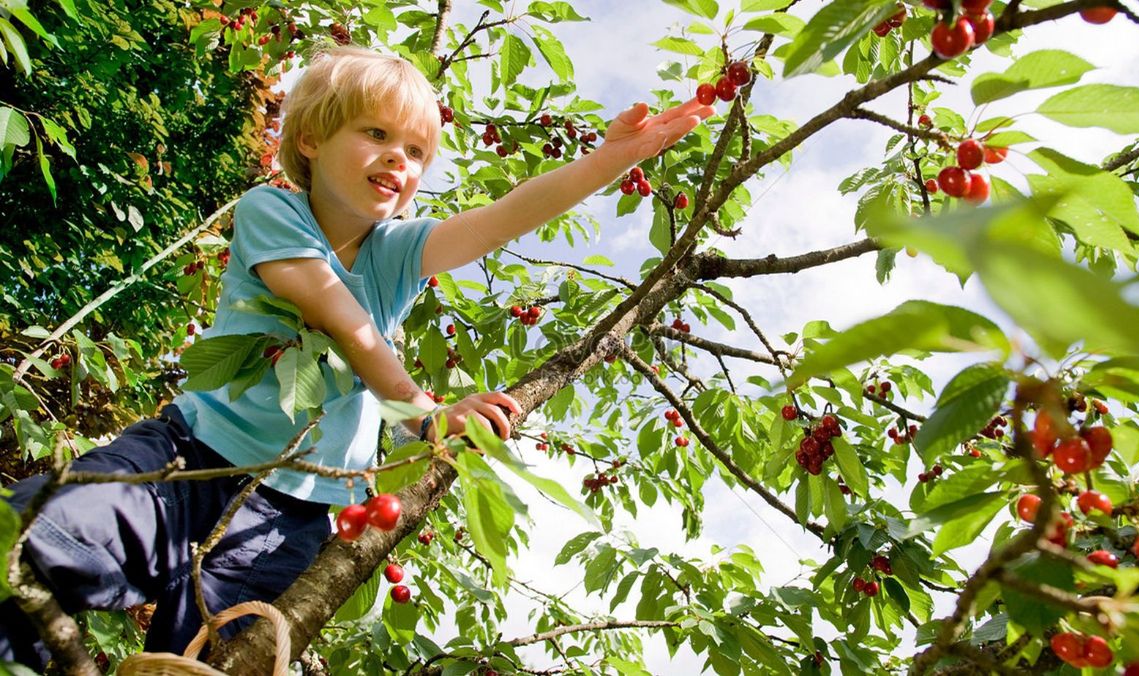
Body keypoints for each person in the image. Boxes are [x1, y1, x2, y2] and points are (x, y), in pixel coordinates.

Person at [0, 44, 713, 668]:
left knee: (209, 663)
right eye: (375, 133)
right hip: (190, 458)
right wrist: (425, 413)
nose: (398, 161)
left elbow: (503, 218)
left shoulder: (395, 255)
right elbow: (341, 321)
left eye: (415, 153)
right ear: (310, 138)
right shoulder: (271, 211)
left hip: (290, 517)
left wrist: (612, 158)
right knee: (43, 542)